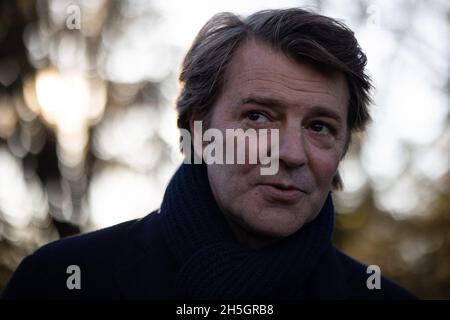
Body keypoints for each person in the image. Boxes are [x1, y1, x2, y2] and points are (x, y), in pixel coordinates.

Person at [3, 8, 416, 299]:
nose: (291, 153)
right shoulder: (62, 282)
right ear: (198, 130)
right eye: (257, 117)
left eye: (320, 127)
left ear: (342, 148)